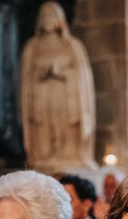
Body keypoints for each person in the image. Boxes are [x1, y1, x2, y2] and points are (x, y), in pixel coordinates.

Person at [20, 1, 96, 172]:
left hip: (66, 97)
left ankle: (69, 154)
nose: (47, 19)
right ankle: (44, 155)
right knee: (44, 135)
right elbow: (26, 78)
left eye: (51, 15)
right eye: (44, 16)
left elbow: (81, 77)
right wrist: (41, 73)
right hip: (41, 98)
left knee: (66, 134)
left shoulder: (72, 45)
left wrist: (61, 72)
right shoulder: (32, 47)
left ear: (60, 19)